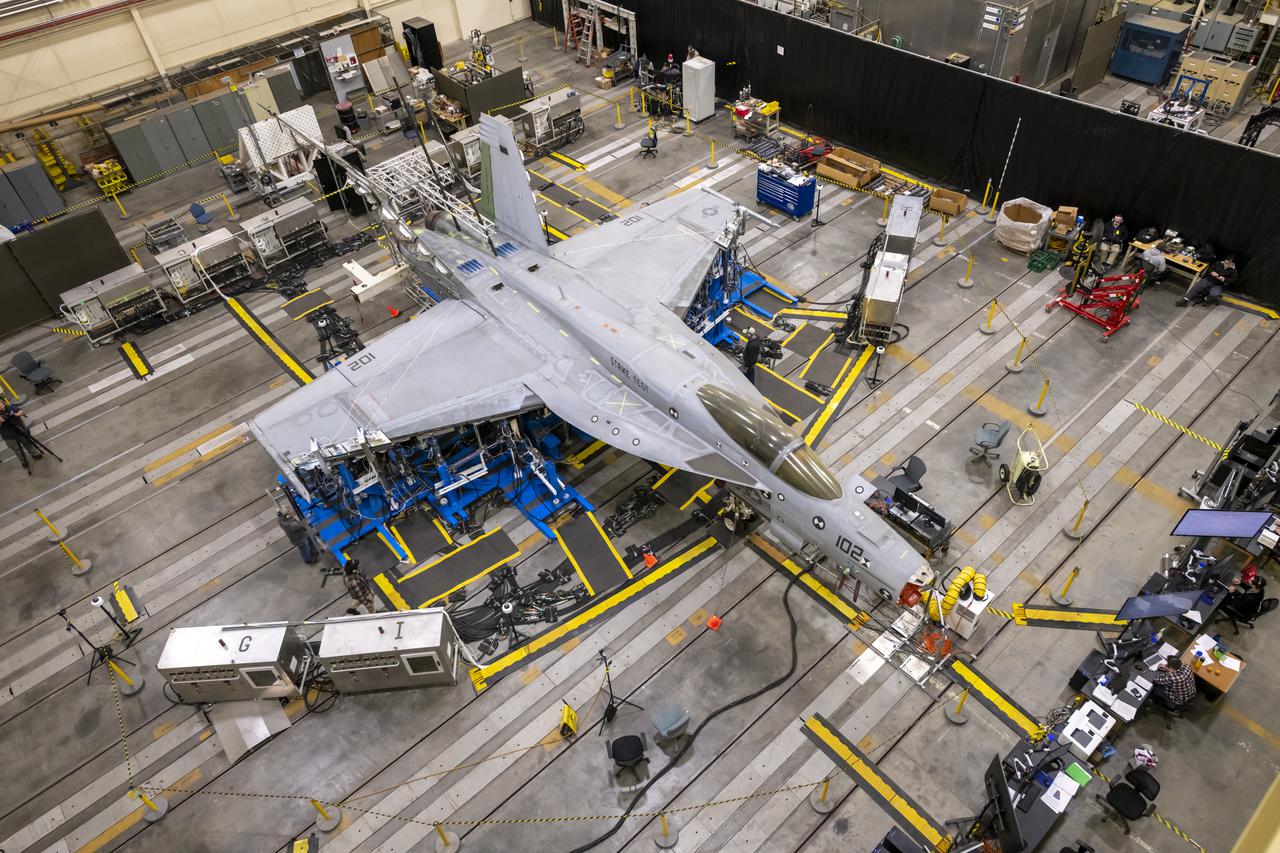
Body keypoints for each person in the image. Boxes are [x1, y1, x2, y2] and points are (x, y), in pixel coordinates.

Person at [1, 402, 43, 475]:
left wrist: (16, 414)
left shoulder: (9, 407)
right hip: (9, 436)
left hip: (20, 431)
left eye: (1, 405)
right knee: (17, 450)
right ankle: (24, 461)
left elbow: (21, 411)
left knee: (27, 442)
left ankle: (35, 454)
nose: (1, 407)